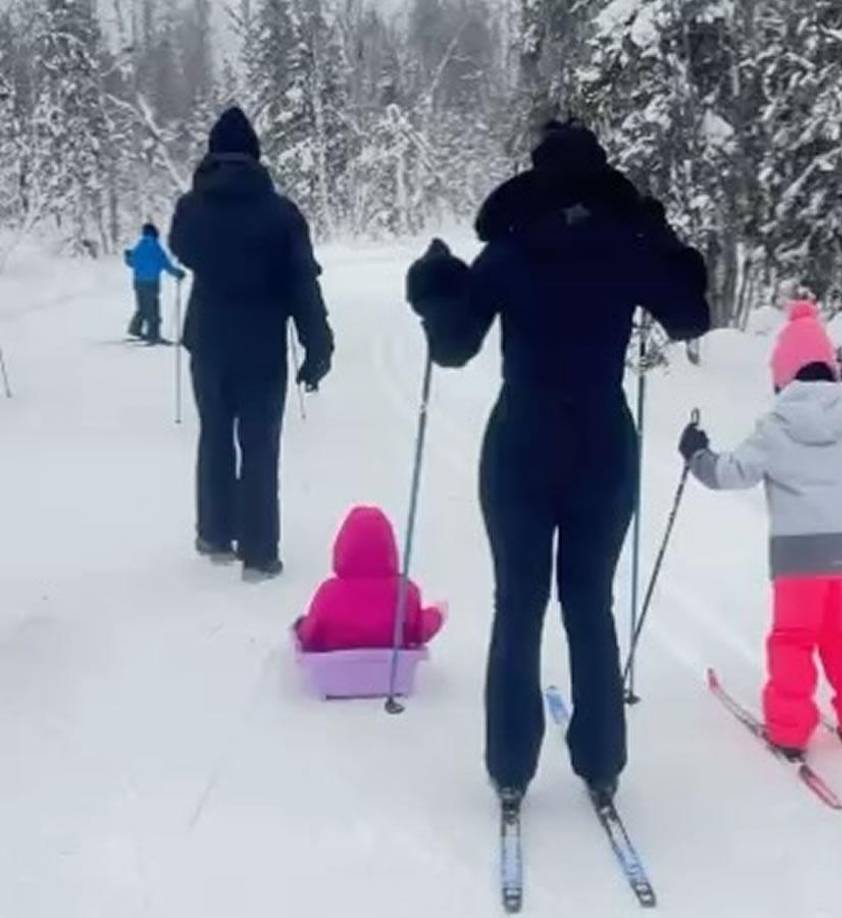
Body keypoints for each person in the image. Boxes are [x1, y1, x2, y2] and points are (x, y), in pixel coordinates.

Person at [405, 120, 710, 805]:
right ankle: (601, 762)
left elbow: (453, 348)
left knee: (517, 606)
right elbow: (690, 317)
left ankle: (510, 767)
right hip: (602, 440)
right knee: (588, 605)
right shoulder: (627, 243)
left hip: (521, 440)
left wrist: (433, 285)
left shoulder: (510, 250)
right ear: (600, 176)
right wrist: (661, 239)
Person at [678, 300, 842, 758]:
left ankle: (790, 732)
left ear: (782, 373)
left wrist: (698, 455)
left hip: (800, 559)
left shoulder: (777, 425)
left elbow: (730, 474)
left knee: (794, 640)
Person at [169, 107, 334, 581]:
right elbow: (303, 281)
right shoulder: (280, 213)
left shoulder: (191, 208)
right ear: (256, 156)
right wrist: (317, 345)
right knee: (260, 445)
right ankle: (259, 553)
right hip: (262, 345)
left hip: (209, 341)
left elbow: (182, 250)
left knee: (214, 434)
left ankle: (215, 533)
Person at [296, 506, 444, 653]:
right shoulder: (405, 593)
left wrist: (300, 626)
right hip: (393, 674)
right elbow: (419, 631)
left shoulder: (328, 595)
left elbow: (311, 635)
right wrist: (437, 614)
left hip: (336, 674)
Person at [124, 223, 185, 344]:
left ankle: (135, 329)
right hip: (151, 283)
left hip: (138, 282)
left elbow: (131, 263)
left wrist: (127, 256)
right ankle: (153, 335)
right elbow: (165, 264)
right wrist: (178, 273)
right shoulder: (156, 248)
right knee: (153, 309)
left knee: (142, 307)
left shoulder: (139, 246)